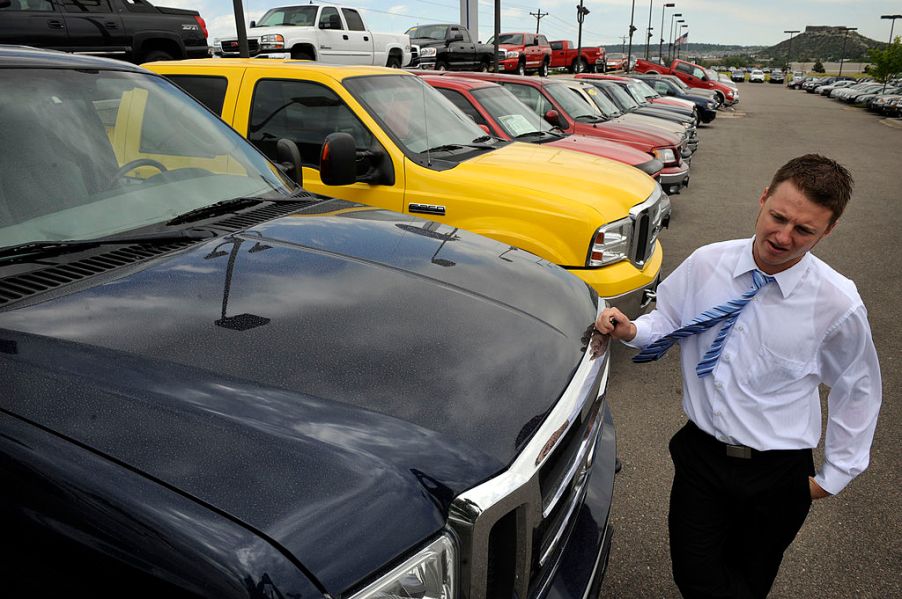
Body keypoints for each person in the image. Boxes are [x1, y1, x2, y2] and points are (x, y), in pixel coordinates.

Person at [594, 154, 882, 599]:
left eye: (804, 230)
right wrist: (633, 330)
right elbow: (668, 318)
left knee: (751, 578)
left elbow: (857, 389)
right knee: (695, 575)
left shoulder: (837, 303)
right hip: (702, 457)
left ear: (829, 229)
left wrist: (834, 474)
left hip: (778, 471)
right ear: (763, 198)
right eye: (778, 217)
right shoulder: (708, 263)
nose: (783, 237)